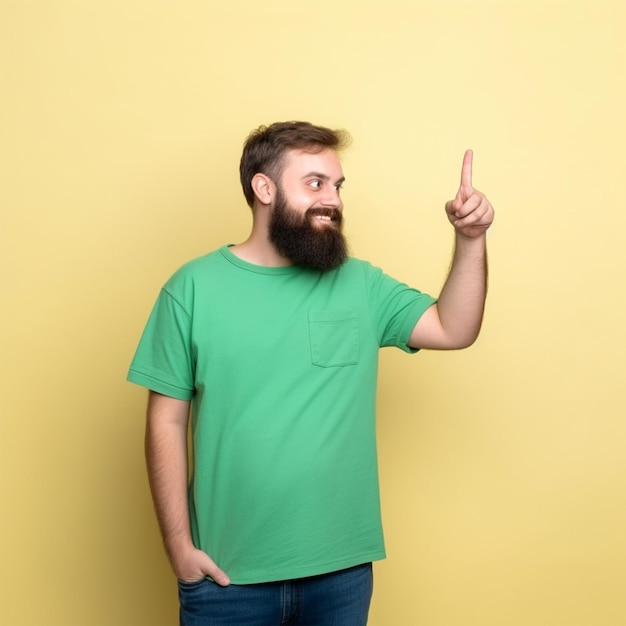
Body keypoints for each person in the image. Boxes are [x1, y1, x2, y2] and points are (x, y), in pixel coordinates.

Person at [127, 121, 494, 626]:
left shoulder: (360, 284)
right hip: (226, 579)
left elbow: (454, 327)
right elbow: (164, 423)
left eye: (338, 186)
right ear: (264, 188)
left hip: (340, 576)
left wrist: (471, 239)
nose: (334, 200)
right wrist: (179, 550)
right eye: (316, 183)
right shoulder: (191, 289)